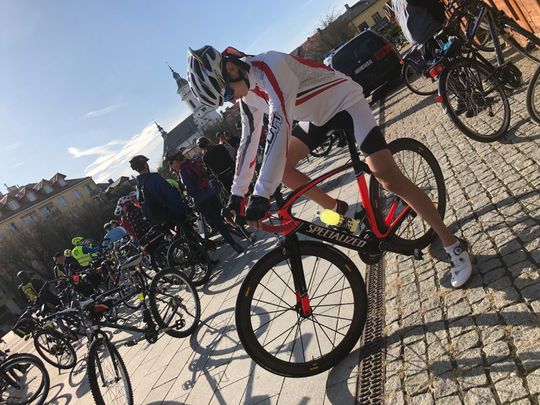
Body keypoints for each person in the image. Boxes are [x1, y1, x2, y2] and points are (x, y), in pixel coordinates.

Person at [186, 45, 472, 288]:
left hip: (344, 101)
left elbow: (279, 125)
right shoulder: (247, 93)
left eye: (227, 95)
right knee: (283, 170)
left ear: (232, 69)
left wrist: (261, 194)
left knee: (386, 177)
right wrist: (237, 196)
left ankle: (453, 244)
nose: (232, 101)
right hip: (316, 117)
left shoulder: (270, 65)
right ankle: (343, 212)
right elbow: (249, 139)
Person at [165, 148, 244, 254]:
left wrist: (186, 192)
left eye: (171, 163)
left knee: (218, 223)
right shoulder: (192, 162)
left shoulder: (183, 171)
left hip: (201, 200)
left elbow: (191, 190)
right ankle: (244, 232)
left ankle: (234, 244)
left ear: (176, 160)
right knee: (225, 215)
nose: (171, 166)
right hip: (210, 193)